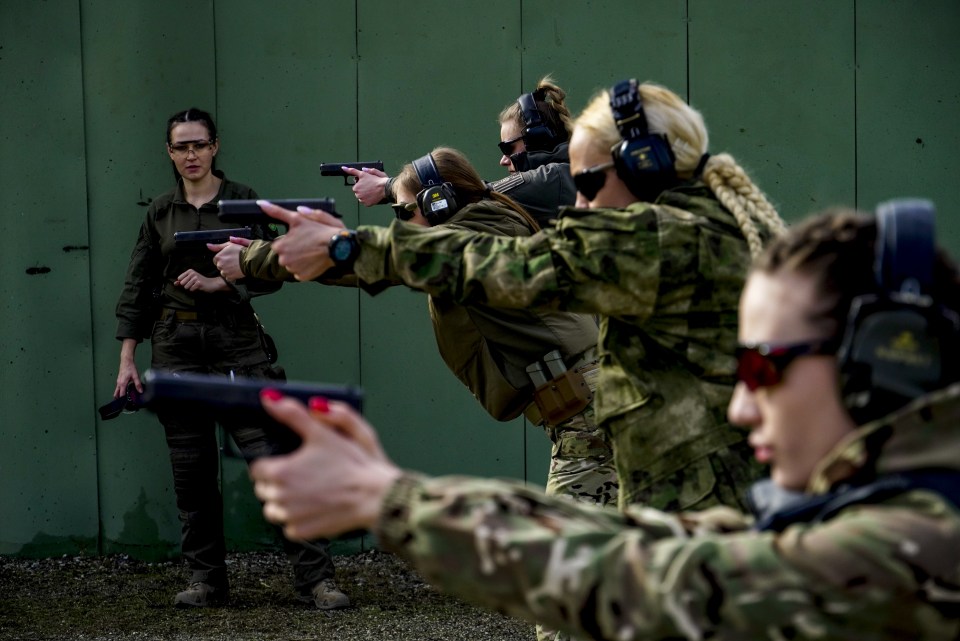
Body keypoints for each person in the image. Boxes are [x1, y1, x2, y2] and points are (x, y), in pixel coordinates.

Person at [250, 202, 960, 639]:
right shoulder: (877, 505)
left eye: (765, 367)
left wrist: (387, 499)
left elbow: (655, 578)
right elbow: (645, 539)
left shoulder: (919, 542)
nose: (742, 406)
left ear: (886, 360)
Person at [254, 78, 787, 512]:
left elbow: (495, 263)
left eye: (588, 183)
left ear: (643, 165)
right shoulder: (708, 227)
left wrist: (343, 250)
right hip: (686, 467)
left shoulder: (652, 242)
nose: (577, 204)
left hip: (691, 473)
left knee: (574, 581)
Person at [223, 147, 618, 510]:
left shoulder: (470, 238)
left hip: (590, 417)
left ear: (440, 202)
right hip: (593, 405)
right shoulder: (489, 217)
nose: (402, 223)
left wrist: (255, 259)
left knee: (564, 558)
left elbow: (379, 261)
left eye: (403, 212)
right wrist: (392, 188)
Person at [112, 108, 348, 610]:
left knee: (274, 461)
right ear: (170, 153)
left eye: (199, 144)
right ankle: (206, 581)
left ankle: (316, 581)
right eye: (181, 147)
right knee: (191, 471)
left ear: (215, 146)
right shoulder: (160, 212)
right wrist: (127, 358)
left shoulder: (242, 201)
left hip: (236, 341)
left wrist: (225, 280)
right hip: (175, 345)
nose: (191, 155)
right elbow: (137, 287)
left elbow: (278, 263)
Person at [346, 76, 576, 228]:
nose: (503, 160)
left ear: (538, 140)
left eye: (509, 147)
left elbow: (475, 194)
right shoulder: (564, 177)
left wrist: (389, 187)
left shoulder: (555, 179)